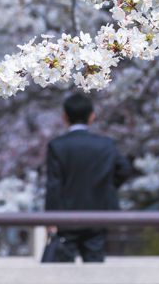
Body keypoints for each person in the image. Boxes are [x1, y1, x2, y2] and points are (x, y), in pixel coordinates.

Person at [44, 93, 133, 263]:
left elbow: (54, 185)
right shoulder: (105, 144)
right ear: (91, 117)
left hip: (66, 217)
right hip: (98, 214)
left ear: (65, 117)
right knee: (95, 265)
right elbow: (125, 168)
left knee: (61, 269)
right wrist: (106, 186)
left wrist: (50, 217)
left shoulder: (57, 146)